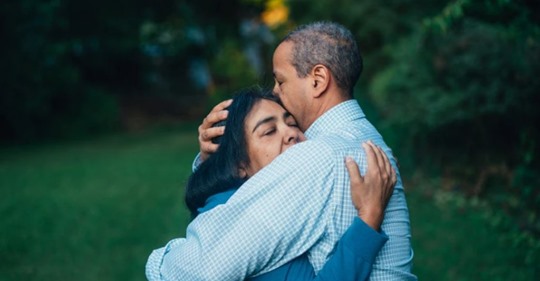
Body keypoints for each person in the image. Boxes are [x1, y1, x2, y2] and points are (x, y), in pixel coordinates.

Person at [147, 21, 415, 280]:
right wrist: (214, 159)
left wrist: (158, 261)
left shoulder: (318, 156)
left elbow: (202, 268)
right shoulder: (364, 139)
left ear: (318, 80)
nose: (275, 92)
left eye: (281, 81)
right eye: (269, 130)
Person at [182, 88, 395, 280]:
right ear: (239, 165)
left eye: (291, 123)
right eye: (269, 131)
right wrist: (369, 216)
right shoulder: (256, 225)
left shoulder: (236, 198)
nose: (291, 133)